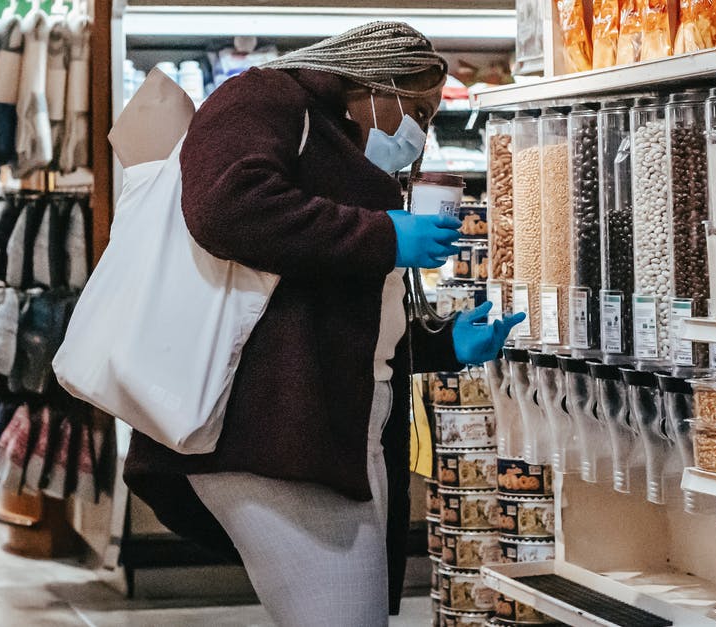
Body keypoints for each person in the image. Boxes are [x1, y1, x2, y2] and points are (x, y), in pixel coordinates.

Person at [122, 22, 524, 626]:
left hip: (328, 427)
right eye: (417, 110)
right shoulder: (265, 97)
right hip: (268, 430)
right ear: (374, 83)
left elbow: (317, 305)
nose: (419, 132)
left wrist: (438, 346)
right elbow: (227, 209)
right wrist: (384, 235)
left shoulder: (341, 143)